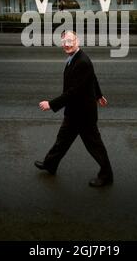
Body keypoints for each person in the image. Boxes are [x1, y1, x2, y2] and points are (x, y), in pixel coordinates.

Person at [35, 30, 113, 187]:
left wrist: (51, 104)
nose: (66, 45)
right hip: (74, 112)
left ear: (77, 41)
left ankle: (106, 175)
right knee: (62, 140)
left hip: (83, 114)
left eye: (69, 41)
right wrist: (98, 95)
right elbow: (93, 78)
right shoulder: (74, 58)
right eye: (64, 42)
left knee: (94, 145)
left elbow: (73, 92)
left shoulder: (82, 62)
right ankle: (50, 164)